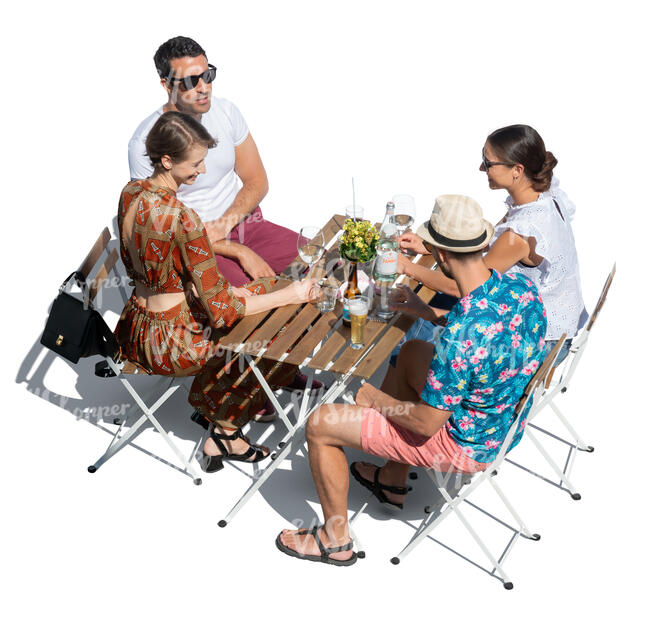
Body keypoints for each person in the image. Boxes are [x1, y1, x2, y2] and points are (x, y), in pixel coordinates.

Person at [275, 195, 547, 566]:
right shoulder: (521, 288)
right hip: (501, 420)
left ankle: (334, 540)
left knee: (321, 423)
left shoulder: (464, 331)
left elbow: (424, 421)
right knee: (415, 350)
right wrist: (426, 312)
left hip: (464, 444)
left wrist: (373, 398)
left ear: (439, 253)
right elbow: (486, 341)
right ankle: (392, 481)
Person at [116, 111, 317, 472]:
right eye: (196, 164)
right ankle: (224, 426)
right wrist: (292, 296)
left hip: (135, 326)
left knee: (261, 291)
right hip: (172, 344)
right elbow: (224, 314)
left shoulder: (131, 194)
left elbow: (153, 266)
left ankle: (228, 425)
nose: (203, 172)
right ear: (167, 160)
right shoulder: (184, 218)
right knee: (280, 323)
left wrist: (231, 293)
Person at [398, 124, 587, 365]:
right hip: (548, 320)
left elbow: (464, 286)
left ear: (517, 170)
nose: (481, 168)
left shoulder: (521, 234)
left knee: (417, 333)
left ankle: (405, 386)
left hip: (537, 341)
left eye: (488, 163)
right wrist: (432, 246)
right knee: (431, 308)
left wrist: (405, 267)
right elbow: (489, 243)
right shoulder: (541, 195)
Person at [128, 35, 301, 287]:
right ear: (166, 85)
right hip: (197, 246)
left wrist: (224, 225)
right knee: (253, 304)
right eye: (190, 81)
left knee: (324, 266)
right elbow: (161, 230)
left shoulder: (226, 112)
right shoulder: (145, 142)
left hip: (247, 224)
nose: (204, 87)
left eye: (207, 75)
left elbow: (257, 180)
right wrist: (235, 250)